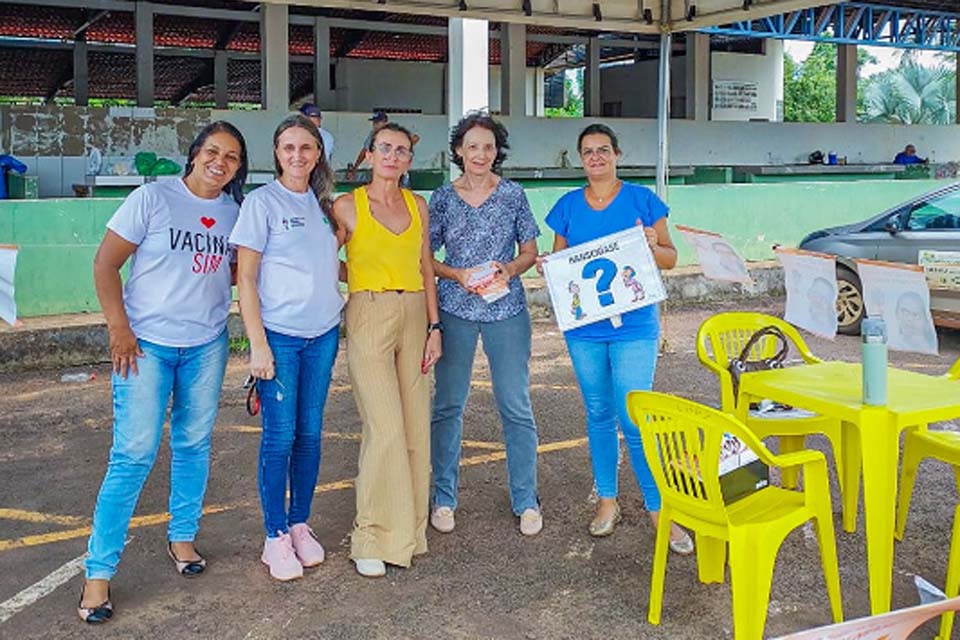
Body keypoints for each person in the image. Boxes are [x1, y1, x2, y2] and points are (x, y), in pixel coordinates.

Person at [80, 121, 247, 623]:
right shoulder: (153, 198)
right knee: (132, 454)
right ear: (195, 154)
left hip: (206, 345)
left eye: (233, 157)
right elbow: (105, 265)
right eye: (213, 151)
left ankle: (183, 540)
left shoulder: (236, 212)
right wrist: (119, 329)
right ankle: (98, 574)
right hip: (145, 346)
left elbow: (239, 272)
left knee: (193, 444)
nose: (221, 162)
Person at [539, 123, 693, 554]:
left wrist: (650, 244)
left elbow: (671, 258)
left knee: (635, 417)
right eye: (587, 152)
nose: (596, 158)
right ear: (580, 158)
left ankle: (658, 507)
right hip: (586, 330)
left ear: (617, 154)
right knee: (598, 412)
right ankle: (607, 500)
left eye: (603, 150)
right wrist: (550, 269)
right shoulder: (568, 206)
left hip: (635, 327)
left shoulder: (643, 200)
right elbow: (563, 263)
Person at [231, 114, 342, 581]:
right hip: (279, 336)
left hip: (324, 334)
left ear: (318, 154)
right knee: (280, 437)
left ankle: (300, 523)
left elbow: (330, 267)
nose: (297, 156)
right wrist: (257, 344)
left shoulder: (324, 206)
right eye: (288, 148)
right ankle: (274, 534)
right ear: (276, 154)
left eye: (306, 148)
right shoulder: (262, 203)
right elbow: (247, 277)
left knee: (311, 435)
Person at [331, 122, 442, 578]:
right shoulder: (346, 206)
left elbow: (426, 268)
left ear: (408, 160)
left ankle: (409, 535)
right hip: (369, 312)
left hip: (416, 312)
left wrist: (436, 327)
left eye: (401, 150)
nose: (393, 156)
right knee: (385, 427)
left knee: (417, 428)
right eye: (385, 148)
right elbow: (321, 259)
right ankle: (370, 536)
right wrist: (357, 280)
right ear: (369, 155)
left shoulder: (418, 205)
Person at [428, 112, 542, 537]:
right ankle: (443, 497)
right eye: (472, 146)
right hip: (455, 310)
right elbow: (427, 258)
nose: (480, 154)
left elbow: (529, 250)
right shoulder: (442, 198)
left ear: (498, 152)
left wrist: (509, 270)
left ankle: (526, 498)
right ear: (459, 150)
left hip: (506, 311)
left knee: (515, 406)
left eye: (488, 147)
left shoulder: (512, 195)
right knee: (448, 406)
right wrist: (455, 274)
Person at [348, 111, 420, 181]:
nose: (374, 125)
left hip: (398, 172)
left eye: (377, 122)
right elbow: (364, 151)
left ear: (385, 122)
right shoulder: (373, 135)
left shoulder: (394, 132)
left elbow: (416, 138)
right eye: (374, 122)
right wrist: (355, 168)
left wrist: (401, 148)